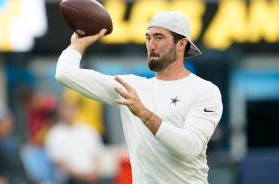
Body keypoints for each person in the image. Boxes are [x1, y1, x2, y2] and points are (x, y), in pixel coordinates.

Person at [55, 11, 223, 183]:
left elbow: (189, 147)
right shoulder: (132, 87)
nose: (151, 45)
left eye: (158, 37)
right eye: (148, 38)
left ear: (181, 44)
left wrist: (144, 113)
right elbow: (65, 74)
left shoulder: (205, 90)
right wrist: (77, 46)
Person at [45, 102, 103, 184]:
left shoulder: (88, 130)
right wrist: (81, 176)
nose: (69, 113)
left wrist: (95, 172)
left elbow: (97, 156)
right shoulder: (54, 134)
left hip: (92, 177)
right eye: (67, 110)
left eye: (72, 110)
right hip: (70, 179)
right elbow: (58, 161)